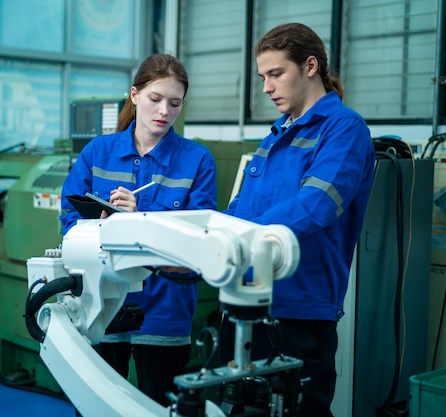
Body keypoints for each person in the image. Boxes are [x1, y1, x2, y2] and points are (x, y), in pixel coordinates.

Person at [221, 23, 375, 416]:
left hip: (300, 308)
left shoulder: (345, 129)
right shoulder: (274, 136)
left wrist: (234, 239)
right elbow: (239, 208)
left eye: (276, 74)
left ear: (310, 66)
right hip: (248, 299)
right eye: (262, 77)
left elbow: (316, 205)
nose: (267, 87)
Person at [59, 53, 218, 406]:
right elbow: (69, 218)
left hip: (165, 310)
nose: (164, 111)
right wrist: (96, 228)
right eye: (155, 99)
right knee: (94, 405)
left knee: (158, 407)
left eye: (174, 103)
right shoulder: (97, 152)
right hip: (102, 304)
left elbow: (201, 234)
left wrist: (139, 216)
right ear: (134, 95)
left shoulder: (197, 160)